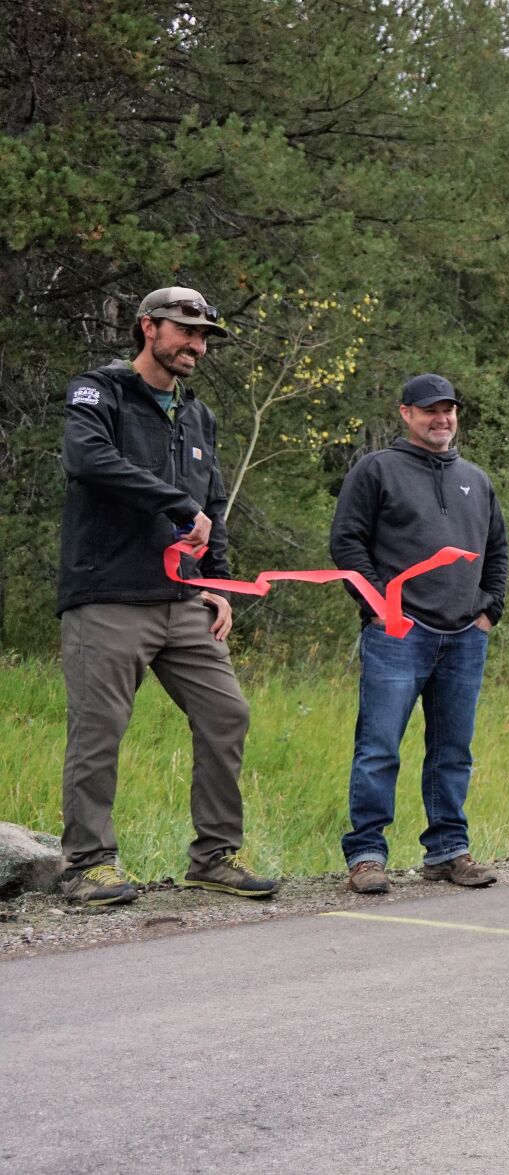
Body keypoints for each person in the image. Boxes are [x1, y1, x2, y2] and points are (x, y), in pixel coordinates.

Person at [55, 285, 278, 906]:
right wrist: (173, 503)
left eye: (204, 336)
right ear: (148, 327)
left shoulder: (197, 415)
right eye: (186, 331)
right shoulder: (100, 392)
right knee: (99, 730)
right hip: (108, 595)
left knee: (226, 713)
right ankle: (87, 864)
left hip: (184, 600)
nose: (197, 346)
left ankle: (215, 856)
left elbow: (212, 507)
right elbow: (87, 459)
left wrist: (220, 584)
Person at [329, 374, 509, 895]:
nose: (442, 418)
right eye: (430, 409)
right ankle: (366, 854)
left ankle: (448, 851)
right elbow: (347, 544)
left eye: (449, 409)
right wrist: (380, 607)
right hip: (398, 634)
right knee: (379, 747)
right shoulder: (377, 469)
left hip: (464, 637)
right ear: (406, 413)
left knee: (453, 750)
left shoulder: (476, 478)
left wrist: (489, 611)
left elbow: (497, 552)